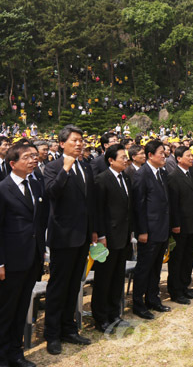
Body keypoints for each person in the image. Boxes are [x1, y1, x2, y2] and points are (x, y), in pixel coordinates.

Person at [44, 125, 97, 355]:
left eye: (81, 140)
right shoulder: (52, 167)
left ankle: (69, 329)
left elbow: (90, 202)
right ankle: (52, 334)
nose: (79, 144)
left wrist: (94, 230)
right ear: (62, 143)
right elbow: (51, 195)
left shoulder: (86, 166)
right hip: (63, 238)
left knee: (74, 285)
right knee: (58, 287)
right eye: (74, 140)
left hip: (83, 236)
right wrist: (65, 170)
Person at [0, 142, 46, 367]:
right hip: (10, 261)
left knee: (21, 309)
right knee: (5, 311)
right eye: (27, 157)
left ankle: (16, 354)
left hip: (31, 259)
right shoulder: (3, 189)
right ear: (12, 163)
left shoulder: (36, 186)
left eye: (34, 156)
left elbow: (39, 223)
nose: (33, 160)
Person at [91, 144, 133, 332]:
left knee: (117, 277)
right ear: (111, 160)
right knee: (104, 279)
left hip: (123, 236)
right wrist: (101, 235)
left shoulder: (125, 177)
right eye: (122, 157)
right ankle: (100, 318)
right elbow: (98, 211)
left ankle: (114, 314)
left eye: (126, 157)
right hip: (107, 237)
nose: (126, 160)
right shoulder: (101, 180)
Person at [132, 140, 170, 319]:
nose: (164, 156)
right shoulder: (142, 175)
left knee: (156, 268)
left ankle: (153, 299)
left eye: (164, 152)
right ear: (150, 155)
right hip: (149, 231)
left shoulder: (162, 173)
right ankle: (138, 304)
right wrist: (142, 231)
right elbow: (138, 206)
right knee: (144, 268)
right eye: (161, 153)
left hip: (162, 228)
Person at [167, 146, 193, 304]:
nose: (191, 158)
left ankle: (185, 286)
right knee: (177, 259)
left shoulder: (192, 174)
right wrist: (175, 224)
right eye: (188, 156)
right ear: (179, 158)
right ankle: (175, 291)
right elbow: (173, 204)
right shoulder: (173, 177)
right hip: (181, 225)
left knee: (189, 257)